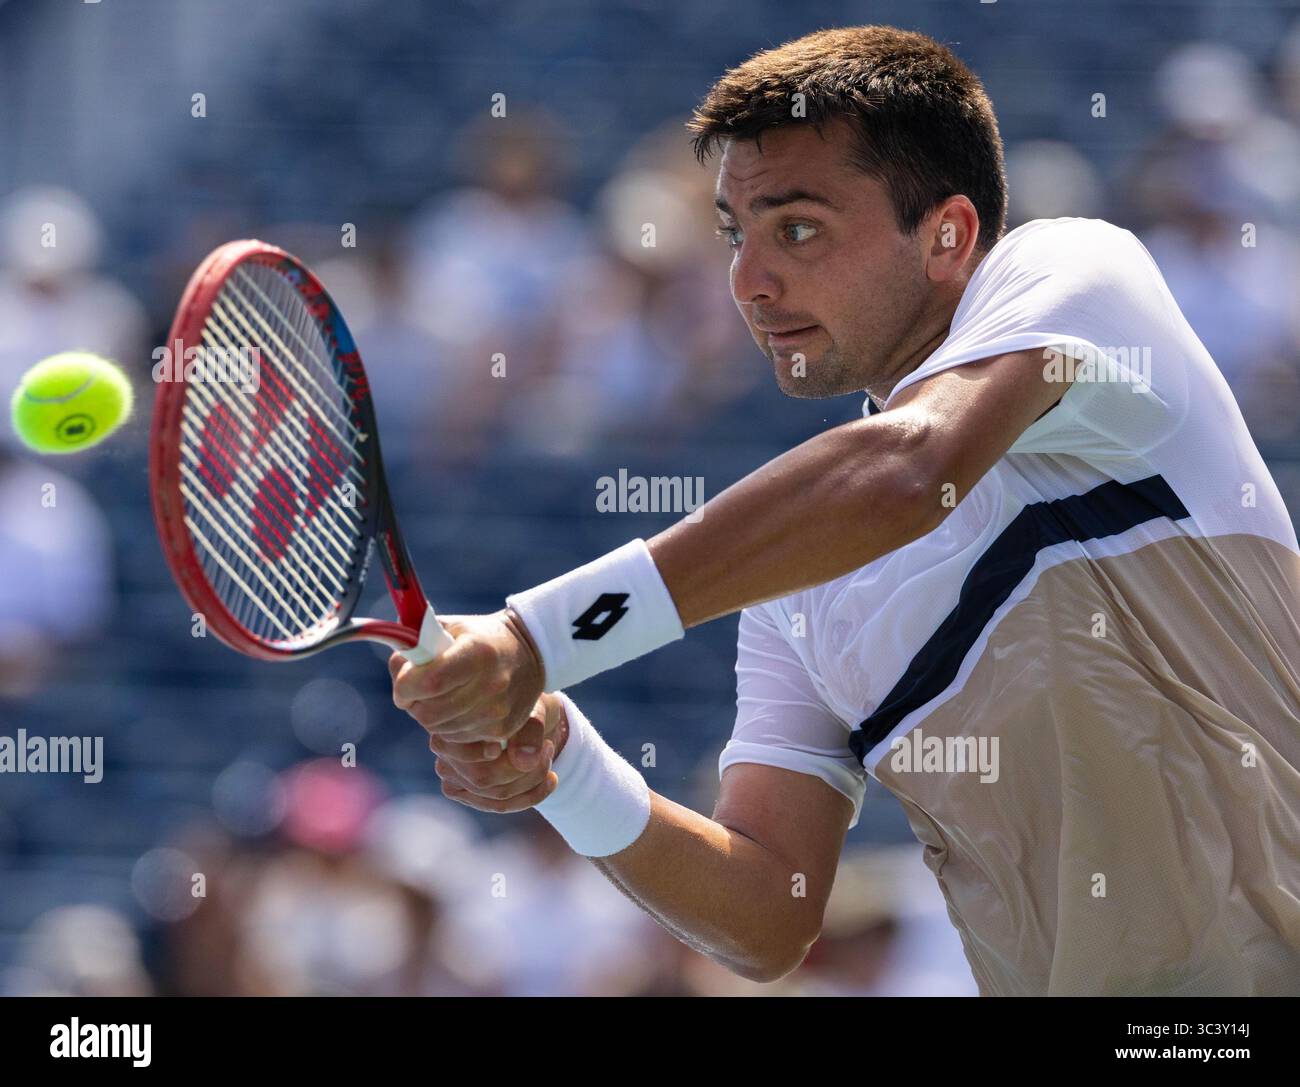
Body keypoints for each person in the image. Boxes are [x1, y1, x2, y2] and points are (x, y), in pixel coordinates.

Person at [389, 26, 1300, 996]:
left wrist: (541, 633)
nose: (749, 279)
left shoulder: (1077, 274)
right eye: (736, 234)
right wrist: (566, 766)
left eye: (797, 228)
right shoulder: (797, 584)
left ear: (948, 235)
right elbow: (768, 914)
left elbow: (913, 470)